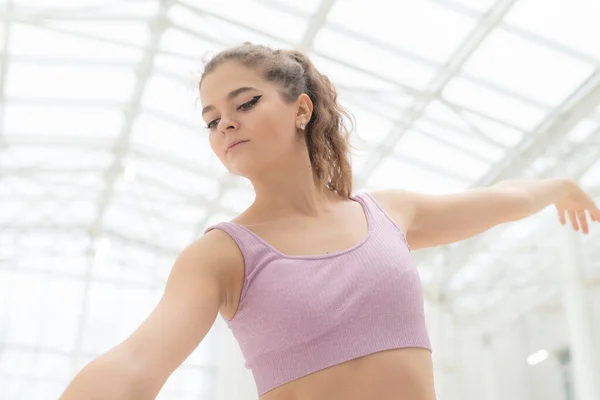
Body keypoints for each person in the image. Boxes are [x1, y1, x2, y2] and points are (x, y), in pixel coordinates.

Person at [59, 42, 599, 400]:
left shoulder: (389, 214)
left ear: (301, 109)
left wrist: (557, 187)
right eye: (211, 119)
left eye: (244, 103)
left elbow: (500, 200)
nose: (225, 123)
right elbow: (136, 363)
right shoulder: (223, 254)